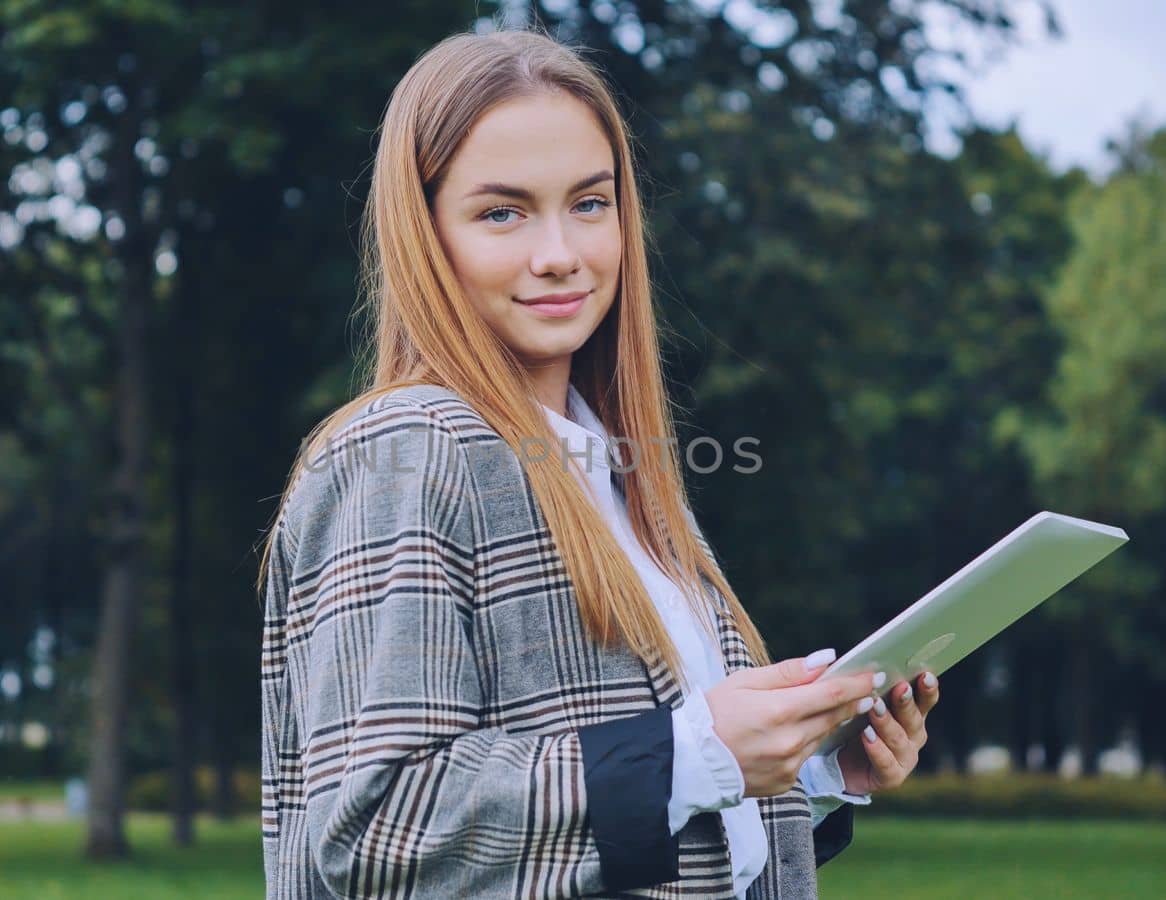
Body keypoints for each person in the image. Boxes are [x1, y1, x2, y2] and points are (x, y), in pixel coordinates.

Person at [258, 24, 941, 899]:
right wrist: (696, 752)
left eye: (589, 203)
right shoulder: (405, 451)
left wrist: (808, 765)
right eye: (502, 212)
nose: (561, 255)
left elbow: (646, 831)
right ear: (425, 234)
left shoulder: (623, 470)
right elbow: (376, 828)